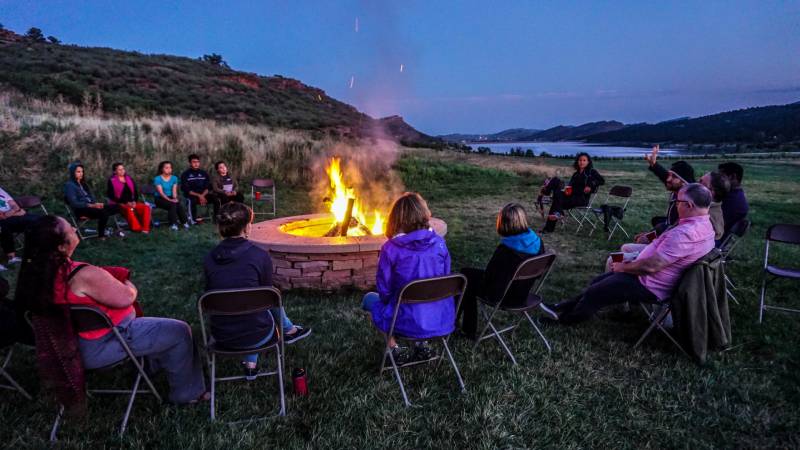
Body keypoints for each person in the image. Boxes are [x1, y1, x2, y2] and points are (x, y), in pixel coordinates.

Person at [15, 215, 207, 403]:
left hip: (66, 345)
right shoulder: (82, 275)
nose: (74, 228)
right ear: (61, 247)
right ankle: (187, 394)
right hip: (106, 342)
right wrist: (126, 282)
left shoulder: (35, 277)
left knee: (155, 326)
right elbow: (127, 297)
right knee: (179, 331)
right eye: (69, 228)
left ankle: (149, 366)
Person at [546, 183, 715, 325]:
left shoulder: (685, 234)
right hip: (652, 277)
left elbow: (651, 266)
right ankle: (564, 306)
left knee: (596, 292)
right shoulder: (705, 225)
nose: (675, 205)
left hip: (651, 284)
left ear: (689, 206)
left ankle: (564, 320)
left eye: (677, 201)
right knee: (597, 283)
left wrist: (623, 267)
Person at [203, 202, 311, 380]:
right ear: (247, 227)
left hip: (221, 336)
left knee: (247, 301)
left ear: (220, 227)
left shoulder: (209, 258)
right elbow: (269, 297)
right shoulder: (259, 255)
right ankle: (289, 331)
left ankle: (251, 365)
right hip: (258, 335)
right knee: (267, 297)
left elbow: (211, 293)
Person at [362, 192, 453, 364]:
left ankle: (393, 348)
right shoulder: (439, 244)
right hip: (439, 316)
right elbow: (445, 277)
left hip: (403, 319)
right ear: (424, 214)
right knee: (420, 300)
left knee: (370, 299)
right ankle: (421, 344)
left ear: (396, 218)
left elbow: (384, 290)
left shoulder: (390, 249)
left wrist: (391, 300)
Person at [457, 203, 545, 339]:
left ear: (504, 223)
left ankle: (463, 327)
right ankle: (461, 326)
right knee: (468, 275)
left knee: (466, 278)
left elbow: (489, 278)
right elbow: (538, 275)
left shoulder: (506, 251)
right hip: (523, 294)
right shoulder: (537, 242)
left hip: (504, 297)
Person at [540, 152, 605, 232]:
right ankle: (557, 215)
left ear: (588, 162)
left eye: (584, 160)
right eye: (580, 160)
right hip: (571, 196)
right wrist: (565, 189)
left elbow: (602, 181)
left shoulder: (591, 172)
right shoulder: (575, 174)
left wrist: (590, 185)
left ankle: (551, 225)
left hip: (581, 199)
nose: (581, 162)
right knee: (555, 181)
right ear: (577, 161)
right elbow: (570, 186)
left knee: (557, 201)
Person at [642, 145, 695, 236]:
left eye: (673, 177)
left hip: (676, 235)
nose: (668, 179)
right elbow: (665, 176)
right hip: (670, 226)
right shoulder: (679, 188)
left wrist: (650, 236)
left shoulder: (689, 201)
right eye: (669, 175)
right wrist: (654, 164)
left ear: (684, 181)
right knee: (656, 220)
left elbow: (676, 228)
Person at [64, 162, 121, 239]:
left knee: (117, 207)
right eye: (78, 172)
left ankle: (106, 228)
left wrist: (96, 204)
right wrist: (91, 205)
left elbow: (91, 196)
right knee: (103, 212)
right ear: (72, 173)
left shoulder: (83, 183)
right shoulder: (69, 185)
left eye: (82, 171)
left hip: (92, 206)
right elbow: (74, 203)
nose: (81, 174)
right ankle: (101, 234)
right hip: (81, 209)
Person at [0, 185, 40, 270]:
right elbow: (2, 216)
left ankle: (40, 250)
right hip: (5, 221)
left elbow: (14, 205)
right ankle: (12, 257)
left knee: (39, 220)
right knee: (3, 227)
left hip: (14, 216)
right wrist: (16, 211)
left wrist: (14, 211)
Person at [106, 163, 151, 234]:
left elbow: (135, 192)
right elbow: (111, 195)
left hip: (132, 202)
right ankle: (137, 228)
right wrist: (125, 202)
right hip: (119, 203)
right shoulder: (112, 181)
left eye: (123, 169)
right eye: (119, 169)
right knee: (129, 209)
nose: (122, 171)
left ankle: (145, 228)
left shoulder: (129, 178)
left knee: (146, 207)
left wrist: (134, 201)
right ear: (115, 171)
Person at [153, 161, 190, 231]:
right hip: (160, 198)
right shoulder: (157, 179)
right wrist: (170, 200)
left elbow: (174, 191)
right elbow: (161, 193)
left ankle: (184, 222)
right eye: (166, 168)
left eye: (170, 168)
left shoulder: (174, 178)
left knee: (177, 204)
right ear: (162, 169)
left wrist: (175, 198)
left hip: (170, 197)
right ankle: (173, 224)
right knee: (172, 204)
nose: (169, 169)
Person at [717, 162, 749, 237]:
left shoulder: (734, 201)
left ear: (732, 177)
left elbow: (715, 223)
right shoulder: (732, 195)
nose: (717, 181)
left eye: (721, 177)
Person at [699, 171, 729, 242]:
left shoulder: (705, 217)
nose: (696, 184)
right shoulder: (712, 207)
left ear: (711, 192)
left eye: (701, 182)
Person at [180, 154, 211, 224]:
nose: (196, 164)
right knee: (191, 200)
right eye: (194, 162)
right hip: (191, 195)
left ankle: (217, 218)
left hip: (203, 194)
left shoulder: (204, 173)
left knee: (216, 199)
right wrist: (199, 196)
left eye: (198, 162)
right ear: (190, 163)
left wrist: (202, 195)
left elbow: (208, 187)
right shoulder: (185, 174)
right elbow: (186, 189)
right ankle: (193, 220)